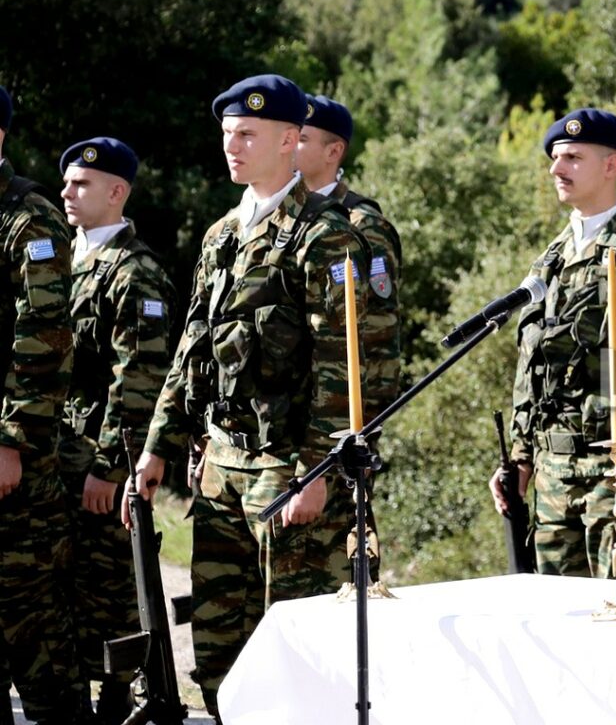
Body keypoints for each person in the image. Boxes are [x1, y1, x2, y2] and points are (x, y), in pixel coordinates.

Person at [128, 74, 368, 718]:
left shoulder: (328, 235)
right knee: (219, 644)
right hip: (221, 466)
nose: (232, 146)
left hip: (287, 467)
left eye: (248, 135)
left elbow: (346, 366)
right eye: (228, 134)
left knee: (295, 644)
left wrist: (317, 470)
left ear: (290, 140)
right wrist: (158, 447)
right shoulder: (222, 235)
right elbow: (192, 348)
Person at [487, 108, 616, 580]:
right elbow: (531, 365)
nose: (556, 169)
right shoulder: (552, 259)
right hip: (554, 474)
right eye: (555, 158)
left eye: (573, 158)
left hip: (614, 470)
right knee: (558, 615)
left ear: (611, 165)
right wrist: (521, 458)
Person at [58, 137, 174, 724]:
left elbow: (139, 378)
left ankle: (117, 697)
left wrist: (107, 468)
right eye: (66, 182)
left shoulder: (136, 272)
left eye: (81, 184)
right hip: (56, 450)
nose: (67, 192)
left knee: (108, 588)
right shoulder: (62, 259)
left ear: (116, 192)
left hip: (99, 457)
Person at [0, 86, 83, 724]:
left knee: (30, 625)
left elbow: (46, 336)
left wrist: (11, 440)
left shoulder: (29, 219)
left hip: (14, 461)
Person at [295, 94, 402, 585]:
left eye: (301, 139)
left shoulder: (363, 226)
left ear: (333, 151)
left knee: (339, 565)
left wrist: (356, 432)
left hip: (340, 426)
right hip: (294, 421)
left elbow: (374, 339)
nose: (289, 147)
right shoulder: (287, 219)